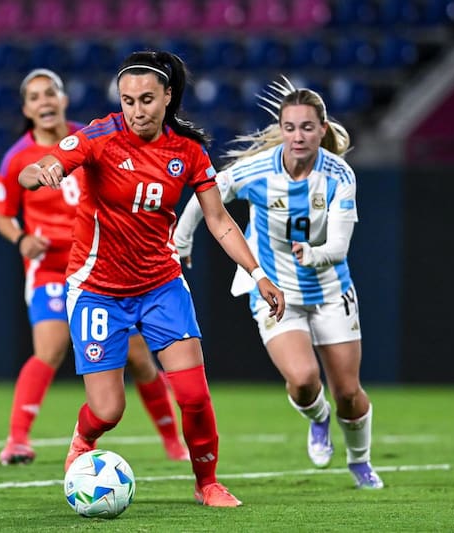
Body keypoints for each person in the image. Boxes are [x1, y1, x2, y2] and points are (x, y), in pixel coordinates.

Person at [18, 52, 285, 507]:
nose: (136, 111)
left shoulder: (188, 152)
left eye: (146, 100)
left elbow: (219, 221)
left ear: (167, 97)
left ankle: (207, 484)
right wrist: (42, 171)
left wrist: (257, 272)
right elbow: (33, 170)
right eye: (127, 101)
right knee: (108, 410)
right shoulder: (99, 135)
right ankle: (83, 441)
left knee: (194, 395)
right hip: (97, 288)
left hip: (160, 285)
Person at [173, 77, 384, 489]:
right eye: (290, 127)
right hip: (276, 294)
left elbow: (339, 247)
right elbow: (206, 194)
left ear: (322, 130)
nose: (298, 136)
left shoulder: (339, 174)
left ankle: (360, 461)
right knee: (305, 381)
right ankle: (318, 418)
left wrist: (315, 253)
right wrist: (180, 240)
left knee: (349, 392)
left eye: (308, 127)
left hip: (329, 291)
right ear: (281, 129)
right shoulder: (256, 170)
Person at [0, 68, 189, 466]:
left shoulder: (92, 139)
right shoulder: (17, 157)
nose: (44, 102)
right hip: (50, 267)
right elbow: (0, 213)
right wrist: (21, 239)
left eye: (50, 93)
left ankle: (172, 441)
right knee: (50, 347)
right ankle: (16, 440)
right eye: (34, 97)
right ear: (27, 109)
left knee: (138, 356)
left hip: (104, 265)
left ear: (64, 99)